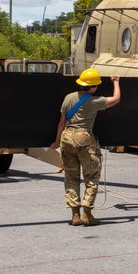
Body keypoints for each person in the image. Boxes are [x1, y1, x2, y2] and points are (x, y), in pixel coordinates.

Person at [51, 69, 121, 226]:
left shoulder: (68, 97)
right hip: (84, 139)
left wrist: (56, 142)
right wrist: (116, 82)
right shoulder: (94, 102)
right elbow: (116, 99)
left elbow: (61, 123)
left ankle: (74, 215)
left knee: (71, 176)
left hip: (66, 137)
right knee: (92, 177)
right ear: (94, 87)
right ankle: (87, 214)